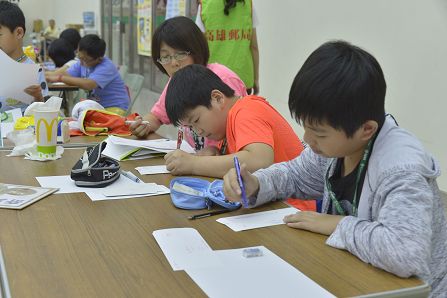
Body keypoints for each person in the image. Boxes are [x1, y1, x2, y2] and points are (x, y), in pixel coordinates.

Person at [222, 40, 447, 296]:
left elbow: (405, 252)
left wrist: (337, 224)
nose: (307, 139)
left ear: (367, 130)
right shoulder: (337, 147)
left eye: (319, 133)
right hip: (355, 277)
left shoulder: (401, 168)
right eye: (305, 125)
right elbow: (294, 175)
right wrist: (256, 184)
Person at [164, 65, 316, 211]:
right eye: (190, 128)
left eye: (196, 121)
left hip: (294, 210)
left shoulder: (246, 110)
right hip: (273, 208)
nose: (197, 132)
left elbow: (259, 160)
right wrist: (216, 154)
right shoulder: (229, 125)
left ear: (218, 98)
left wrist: (194, 164)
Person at [130, 16, 247, 152]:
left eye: (180, 54)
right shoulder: (178, 82)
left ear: (196, 49)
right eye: (166, 57)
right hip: (199, 163)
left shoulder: (223, 79)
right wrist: (143, 125)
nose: (174, 63)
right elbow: (156, 116)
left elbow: (241, 137)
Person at [46, 34, 129, 116]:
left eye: (85, 59)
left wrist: (60, 78)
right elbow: (64, 73)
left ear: (99, 59)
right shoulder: (82, 62)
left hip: (114, 108)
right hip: (96, 107)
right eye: (79, 57)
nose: (81, 62)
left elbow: (89, 84)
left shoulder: (106, 66)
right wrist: (44, 74)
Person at [196, 0, 259, 95]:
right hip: (242, 79)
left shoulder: (204, 5)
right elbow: (254, 47)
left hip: (214, 80)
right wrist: (256, 79)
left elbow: (200, 49)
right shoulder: (248, 4)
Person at [0, 1, 47, 113]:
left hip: (22, 128)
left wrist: (37, 96)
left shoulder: (34, 71)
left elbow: (43, 110)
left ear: (19, 33)